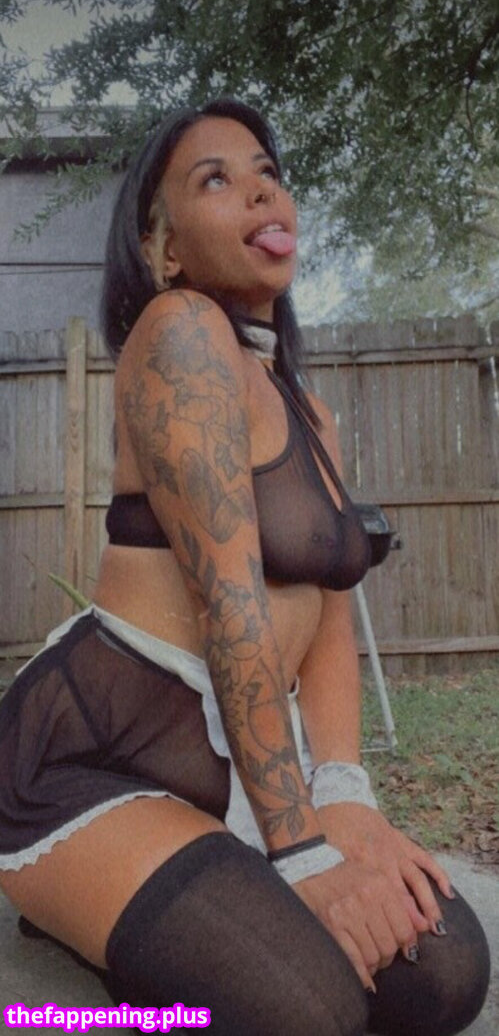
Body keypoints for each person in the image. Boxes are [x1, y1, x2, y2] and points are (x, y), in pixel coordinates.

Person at [0, 99, 490, 1036]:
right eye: (214, 179)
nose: (261, 189)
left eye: (266, 170)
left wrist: (343, 799)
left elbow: (328, 616)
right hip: (91, 762)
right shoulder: (180, 332)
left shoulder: (309, 413)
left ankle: (164, 905)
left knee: (444, 973)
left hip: (223, 765)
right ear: (163, 250)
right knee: (306, 1011)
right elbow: (231, 604)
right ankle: (81, 931)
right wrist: (301, 854)